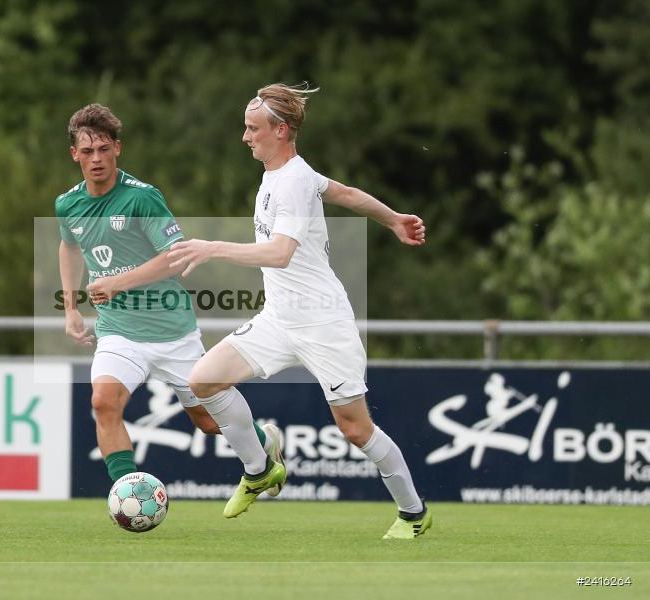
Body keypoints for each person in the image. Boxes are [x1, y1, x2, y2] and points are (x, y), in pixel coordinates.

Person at [168, 83, 432, 538]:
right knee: (203, 380)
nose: (245, 137)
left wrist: (213, 247)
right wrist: (393, 219)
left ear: (281, 130)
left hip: (323, 322)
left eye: (253, 129)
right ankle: (260, 468)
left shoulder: (291, 180)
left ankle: (414, 512)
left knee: (355, 429)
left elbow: (279, 254)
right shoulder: (287, 173)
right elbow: (345, 193)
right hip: (279, 319)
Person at [57, 104, 285, 489]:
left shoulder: (142, 198)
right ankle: (129, 492)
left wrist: (118, 282)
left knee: (208, 422)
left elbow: (176, 258)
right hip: (119, 332)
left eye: (103, 149)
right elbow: (70, 247)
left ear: (117, 148)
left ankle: (264, 441)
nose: (96, 158)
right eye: (87, 150)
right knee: (103, 404)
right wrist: (70, 309)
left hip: (171, 331)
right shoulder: (68, 204)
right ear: (75, 154)